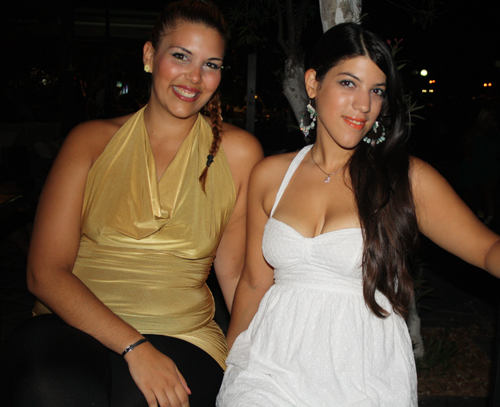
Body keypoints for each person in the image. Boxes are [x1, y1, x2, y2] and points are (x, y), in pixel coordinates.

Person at [216, 22, 500, 407]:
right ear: (313, 83)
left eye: (376, 91)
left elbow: (487, 249)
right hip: (269, 364)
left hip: (362, 370)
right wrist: (231, 363)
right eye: (349, 83)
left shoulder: (404, 179)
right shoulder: (270, 176)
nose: (364, 105)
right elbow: (253, 283)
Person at [0, 1, 262, 407]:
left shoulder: (239, 154)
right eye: (181, 56)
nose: (194, 77)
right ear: (149, 56)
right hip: (71, 323)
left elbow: (239, 277)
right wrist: (134, 347)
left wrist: (248, 367)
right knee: (48, 386)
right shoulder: (89, 141)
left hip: (182, 334)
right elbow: (44, 273)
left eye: (210, 64)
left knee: (139, 400)